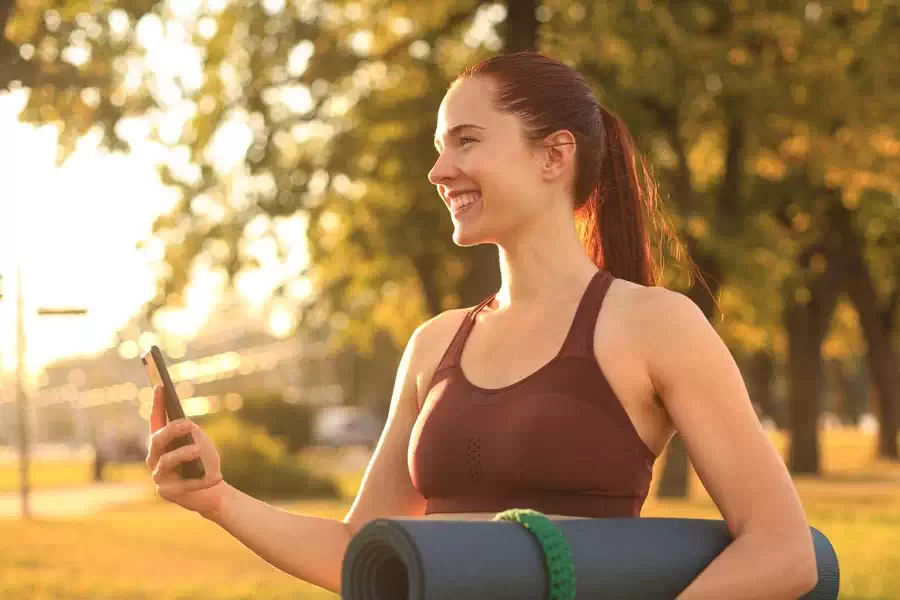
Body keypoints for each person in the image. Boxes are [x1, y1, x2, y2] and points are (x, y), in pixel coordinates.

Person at [145, 52, 817, 598]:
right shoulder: (434, 343)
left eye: (466, 141)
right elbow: (362, 552)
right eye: (439, 147)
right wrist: (217, 499)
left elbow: (784, 551)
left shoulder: (654, 324)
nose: (439, 171)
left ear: (554, 156)